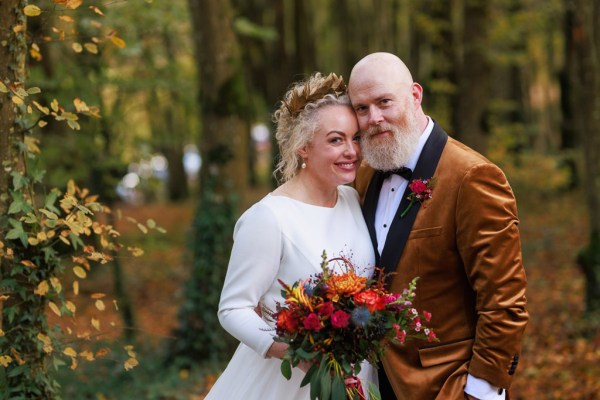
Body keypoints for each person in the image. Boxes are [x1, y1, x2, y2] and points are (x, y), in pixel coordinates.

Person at [348, 52, 529, 400]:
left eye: (385, 102)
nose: (374, 118)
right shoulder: (366, 175)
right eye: (362, 108)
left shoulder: (472, 177)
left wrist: (481, 389)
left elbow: (504, 300)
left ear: (415, 96)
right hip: (373, 383)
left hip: (447, 384)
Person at [204, 72, 378, 400]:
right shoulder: (268, 218)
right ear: (303, 147)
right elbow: (233, 308)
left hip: (355, 375)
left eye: (355, 138)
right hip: (288, 382)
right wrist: (299, 355)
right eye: (336, 140)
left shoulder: (352, 199)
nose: (352, 150)